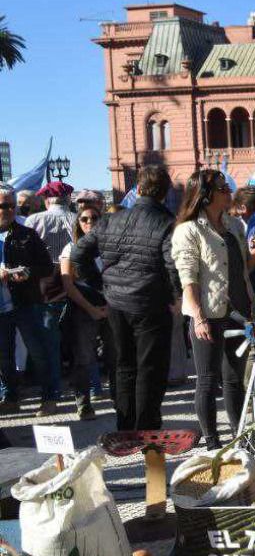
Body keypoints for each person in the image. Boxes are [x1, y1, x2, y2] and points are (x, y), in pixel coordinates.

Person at [71, 165, 179, 431]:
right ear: (164, 194)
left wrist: (102, 286)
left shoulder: (110, 220)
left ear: (139, 189)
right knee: (149, 369)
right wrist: (175, 296)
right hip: (149, 304)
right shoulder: (166, 223)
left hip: (118, 302)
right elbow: (173, 266)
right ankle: (146, 427)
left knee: (124, 365)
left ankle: (126, 425)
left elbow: (78, 255)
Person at [171, 170, 255, 450]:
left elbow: (242, 269)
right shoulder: (189, 230)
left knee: (234, 380)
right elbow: (188, 277)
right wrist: (197, 316)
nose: (229, 191)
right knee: (207, 379)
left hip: (239, 311)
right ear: (206, 195)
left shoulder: (234, 225)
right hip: (208, 313)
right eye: (222, 188)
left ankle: (240, 435)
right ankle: (212, 442)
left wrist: (254, 254)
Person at [0, 185, 56, 415]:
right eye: (4, 205)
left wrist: (28, 273)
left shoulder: (26, 234)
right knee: (4, 354)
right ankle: (10, 396)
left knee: (38, 351)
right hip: (1, 307)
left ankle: (49, 397)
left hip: (25, 301)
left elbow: (45, 266)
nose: (10, 210)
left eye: (13, 205)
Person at [27, 181, 77, 406]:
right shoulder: (77, 219)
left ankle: (53, 392)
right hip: (76, 282)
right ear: (67, 198)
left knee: (50, 341)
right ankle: (84, 389)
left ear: (48, 199)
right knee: (78, 338)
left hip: (45, 286)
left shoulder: (34, 220)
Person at [60, 204, 113, 420]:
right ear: (78, 223)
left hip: (111, 305)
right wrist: (91, 309)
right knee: (83, 358)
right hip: (83, 308)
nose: (89, 222)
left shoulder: (109, 246)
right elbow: (68, 285)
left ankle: (122, 401)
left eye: (94, 218)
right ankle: (84, 404)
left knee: (116, 356)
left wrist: (110, 306)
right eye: (84, 219)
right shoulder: (70, 248)